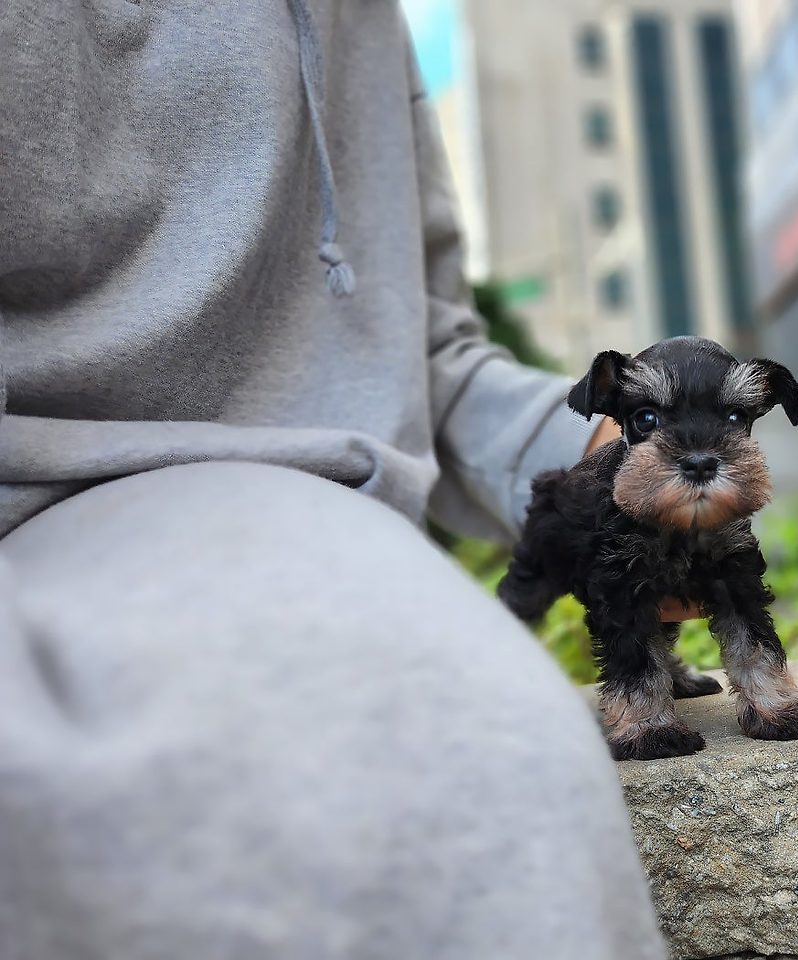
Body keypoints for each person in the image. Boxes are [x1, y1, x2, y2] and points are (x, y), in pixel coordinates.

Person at [0, 2, 671, 957]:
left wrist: (605, 455)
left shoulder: (362, 19)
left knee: (487, 748)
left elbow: (424, 349)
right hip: (44, 491)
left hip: (309, 518)